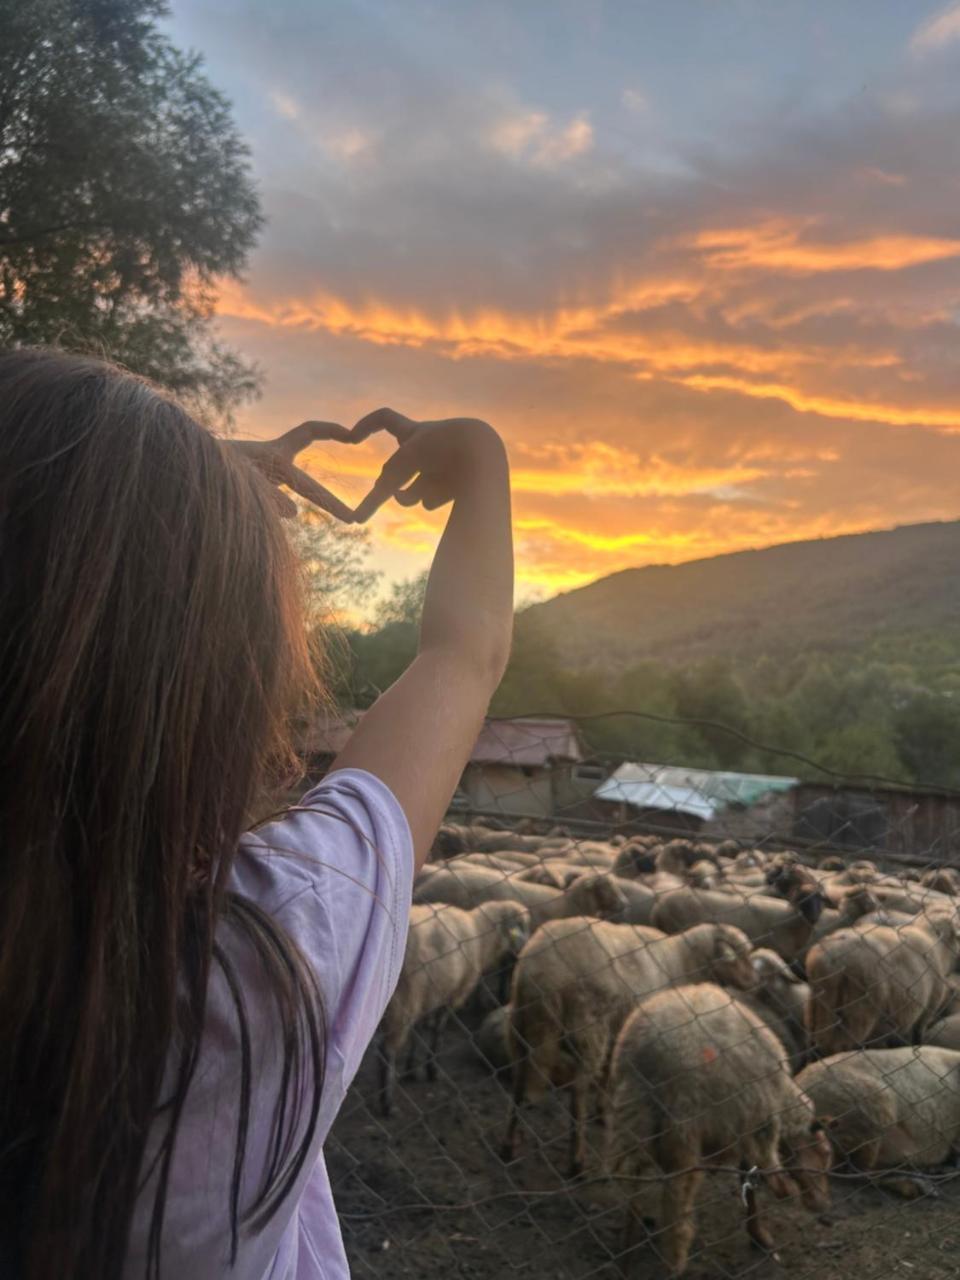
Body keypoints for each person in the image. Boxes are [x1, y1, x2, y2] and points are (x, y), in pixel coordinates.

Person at [0, 348, 514, 1279]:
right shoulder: (262, 958)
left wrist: (137, 479)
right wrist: (480, 463)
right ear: (223, 694)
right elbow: (462, 656)